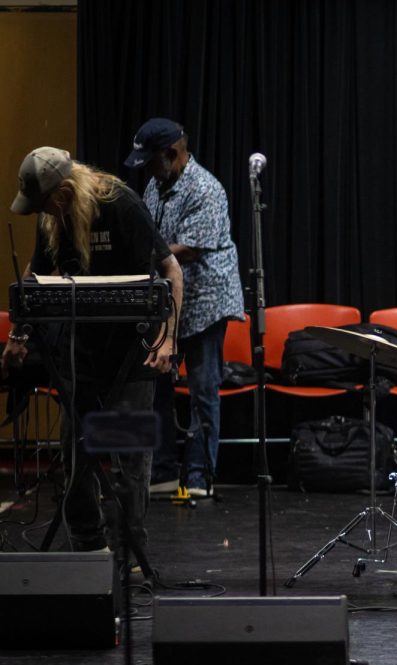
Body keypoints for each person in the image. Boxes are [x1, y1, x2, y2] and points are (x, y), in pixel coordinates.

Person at [3, 147, 183, 568]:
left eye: (44, 202)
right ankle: (88, 548)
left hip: (130, 352)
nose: (41, 211)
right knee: (74, 451)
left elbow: (172, 271)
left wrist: (168, 339)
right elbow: (38, 274)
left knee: (130, 459)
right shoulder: (54, 219)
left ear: (63, 192)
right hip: (78, 351)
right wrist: (19, 332)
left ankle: (130, 557)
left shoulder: (120, 204)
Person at [124, 118, 244, 498]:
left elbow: (189, 249)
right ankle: (160, 471)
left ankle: (198, 477)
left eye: (151, 161)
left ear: (172, 154)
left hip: (205, 303)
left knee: (203, 389)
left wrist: (142, 253)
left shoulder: (206, 188)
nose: (146, 169)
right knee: (156, 387)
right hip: (169, 303)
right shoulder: (157, 186)